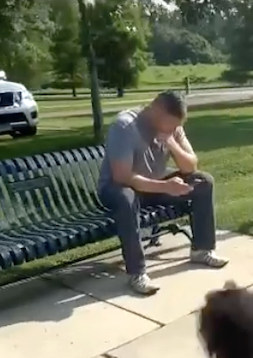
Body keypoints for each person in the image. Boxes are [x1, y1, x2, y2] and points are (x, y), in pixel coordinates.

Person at [97, 90, 228, 296]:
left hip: (153, 185)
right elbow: (122, 176)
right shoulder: (125, 126)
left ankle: (202, 250)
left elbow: (190, 166)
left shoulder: (173, 129)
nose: (176, 128)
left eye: (178, 125)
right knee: (126, 198)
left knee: (203, 181)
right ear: (156, 110)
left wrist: (171, 143)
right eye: (172, 124)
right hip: (117, 189)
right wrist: (165, 187)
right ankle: (137, 273)